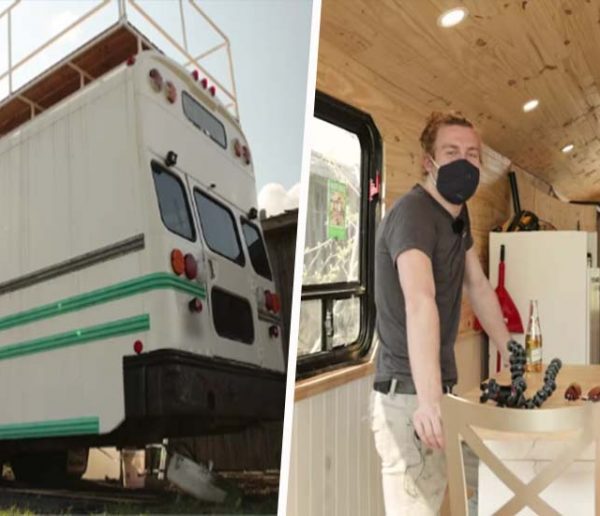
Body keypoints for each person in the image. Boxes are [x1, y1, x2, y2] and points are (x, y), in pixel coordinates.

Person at [370, 111, 513, 515]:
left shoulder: (456, 214)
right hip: (409, 398)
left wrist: (511, 350)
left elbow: (479, 286)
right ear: (427, 162)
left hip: (439, 394)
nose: (464, 163)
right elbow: (420, 301)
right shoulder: (414, 215)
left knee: (489, 485)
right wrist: (429, 402)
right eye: (452, 152)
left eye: (472, 154)